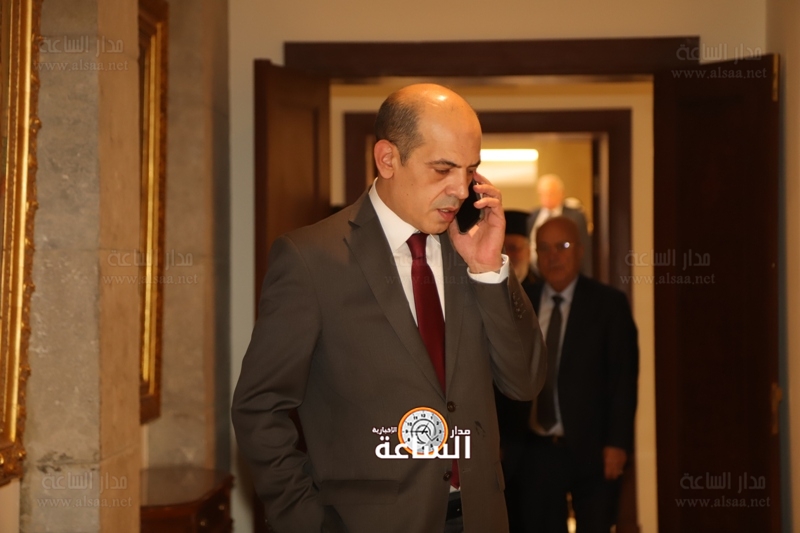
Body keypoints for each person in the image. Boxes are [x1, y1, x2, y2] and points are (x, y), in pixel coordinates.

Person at [232, 83, 546, 533]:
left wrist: (489, 271)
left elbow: (524, 382)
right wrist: (306, 521)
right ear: (387, 159)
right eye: (443, 169)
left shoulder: (472, 250)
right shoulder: (311, 259)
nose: (461, 190)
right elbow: (259, 407)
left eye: (471, 170)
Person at [497, 216, 638, 533]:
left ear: (580, 250)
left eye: (562, 246)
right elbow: (501, 371)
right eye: (544, 248)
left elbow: (622, 380)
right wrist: (500, 438)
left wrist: (617, 443)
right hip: (534, 451)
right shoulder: (521, 301)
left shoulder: (608, 304)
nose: (553, 256)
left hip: (593, 449)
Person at [527, 174, 593, 277]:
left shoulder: (575, 216)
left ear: (561, 193)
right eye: (543, 193)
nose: (547, 197)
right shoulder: (532, 216)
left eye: (551, 193)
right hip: (534, 274)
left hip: (566, 272)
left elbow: (585, 248)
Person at [503, 210, 538, 292]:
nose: (507, 255)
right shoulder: (487, 289)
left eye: (513, 248)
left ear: (528, 253)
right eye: (501, 250)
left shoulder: (541, 293)